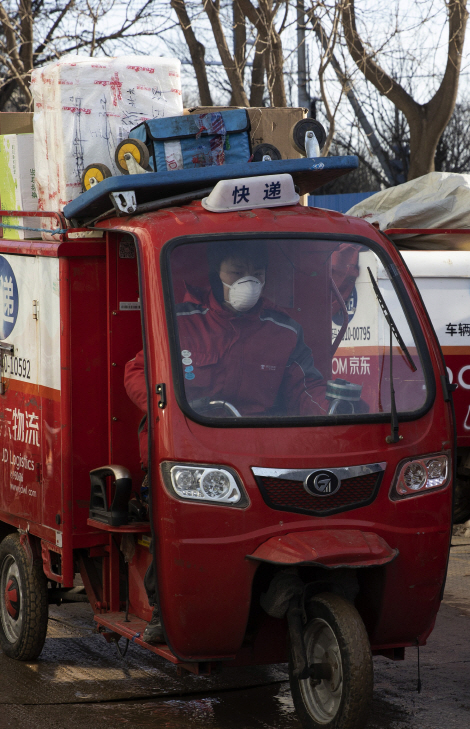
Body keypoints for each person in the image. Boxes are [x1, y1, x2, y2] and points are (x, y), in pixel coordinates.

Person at [123, 241, 328, 643]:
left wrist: (329, 414)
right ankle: (167, 610)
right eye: (237, 271)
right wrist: (170, 408)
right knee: (180, 525)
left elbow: (308, 385)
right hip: (185, 451)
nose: (248, 281)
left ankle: (280, 589)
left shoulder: (284, 330)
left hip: (258, 454)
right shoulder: (180, 320)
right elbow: (137, 372)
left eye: (258, 273)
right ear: (217, 274)